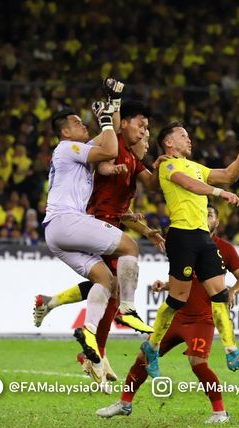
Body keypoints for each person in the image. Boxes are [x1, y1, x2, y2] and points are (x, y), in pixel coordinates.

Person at [34, 99, 165, 383]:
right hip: (72, 221)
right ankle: (128, 311)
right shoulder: (68, 148)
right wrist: (107, 119)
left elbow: (111, 138)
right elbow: (110, 147)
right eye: (76, 123)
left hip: (59, 231)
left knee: (105, 280)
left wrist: (113, 104)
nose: (82, 124)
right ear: (65, 132)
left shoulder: (80, 150)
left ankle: (89, 334)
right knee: (129, 249)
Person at [96, 205, 239, 424]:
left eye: (209, 215)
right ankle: (124, 403)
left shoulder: (224, 249)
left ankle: (220, 413)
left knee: (198, 363)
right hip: (177, 316)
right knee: (144, 355)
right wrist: (167, 285)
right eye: (203, 213)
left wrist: (233, 291)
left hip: (202, 319)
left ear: (217, 223)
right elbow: (185, 278)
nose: (205, 217)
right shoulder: (187, 244)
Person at [141, 121, 239, 378]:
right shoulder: (167, 164)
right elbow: (187, 184)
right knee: (177, 299)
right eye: (183, 136)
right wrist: (220, 193)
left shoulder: (196, 167)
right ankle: (151, 346)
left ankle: (232, 352)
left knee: (219, 294)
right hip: (182, 235)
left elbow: (230, 174)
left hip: (202, 237)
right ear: (169, 143)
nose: (189, 139)